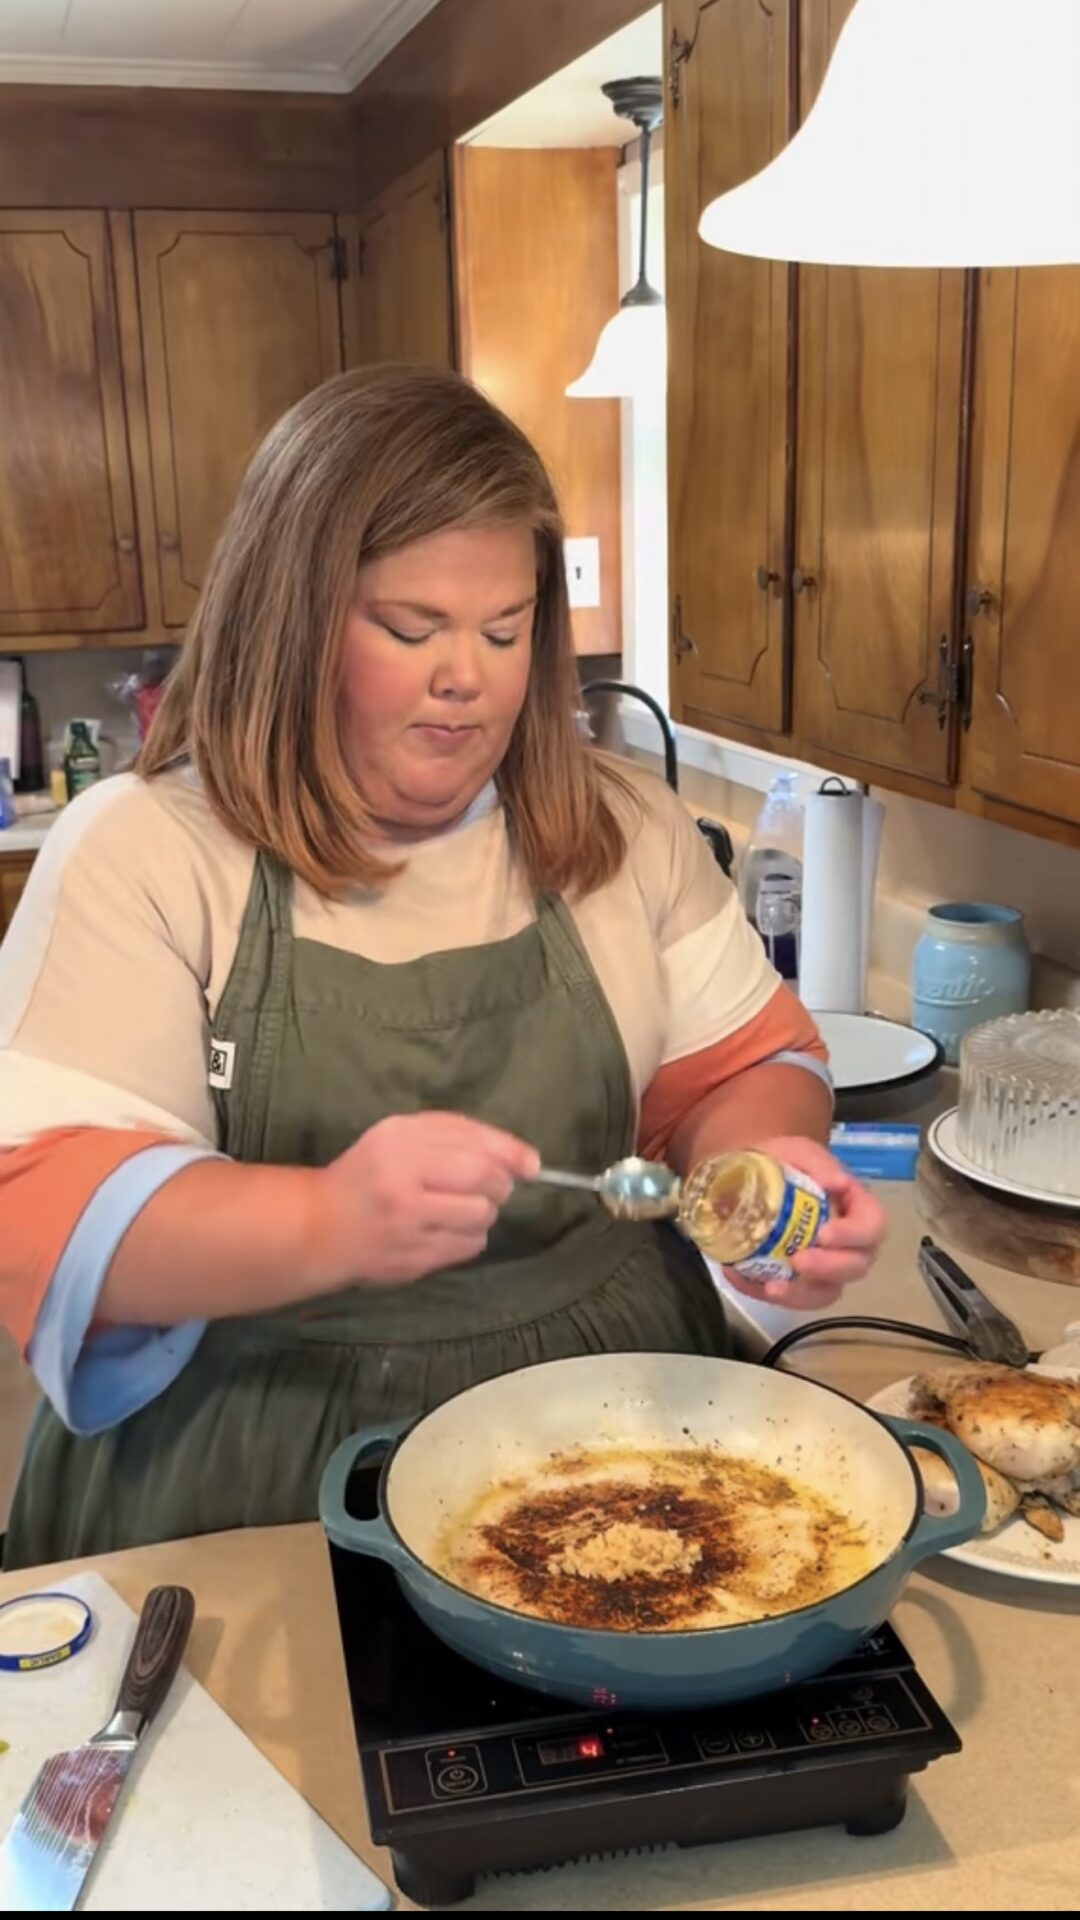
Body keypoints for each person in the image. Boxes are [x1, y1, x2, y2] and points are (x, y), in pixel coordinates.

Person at [0, 367, 884, 1569]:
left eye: (505, 629)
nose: (466, 675)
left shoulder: (619, 824)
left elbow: (743, 1060)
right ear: (289, 619)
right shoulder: (148, 850)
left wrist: (760, 1162)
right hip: (258, 1455)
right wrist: (324, 1219)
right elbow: (53, 1213)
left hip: (615, 1417)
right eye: (410, 629)